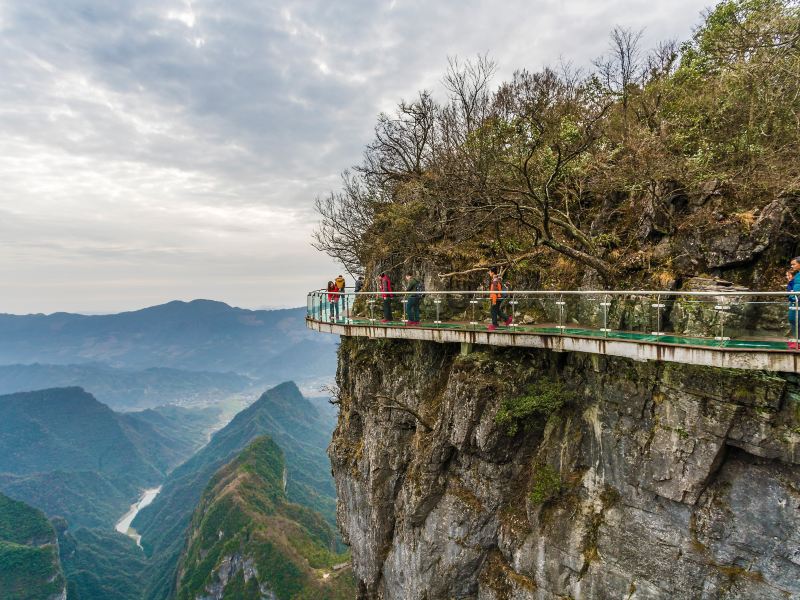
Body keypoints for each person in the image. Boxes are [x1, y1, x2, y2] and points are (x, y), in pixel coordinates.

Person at [488, 267, 512, 331]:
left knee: (493, 311)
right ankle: (507, 319)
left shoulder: (495, 280)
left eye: (489, 272)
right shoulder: (497, 279)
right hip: (498, 298)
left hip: (496, 298)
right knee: (497, 310)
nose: (489, 273)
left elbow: (495, 291)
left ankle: (494, 324)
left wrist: (494, 301)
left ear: (492, 272)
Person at [787, 258, 800, 348]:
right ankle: (798, 341)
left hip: (797, 300)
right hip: (796, 300)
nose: (792, 266)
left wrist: (792, 297)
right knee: (795, 320)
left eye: (794, 264)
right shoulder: (798, 275)